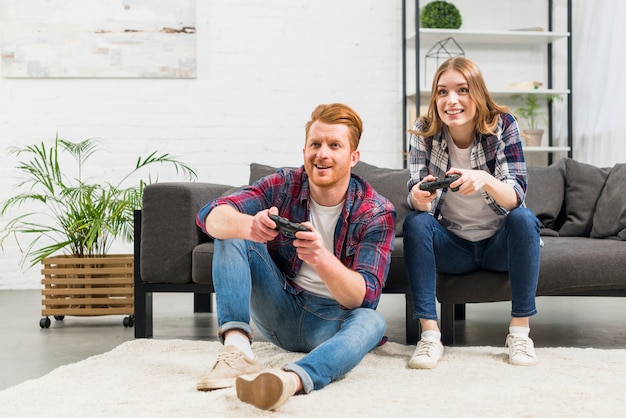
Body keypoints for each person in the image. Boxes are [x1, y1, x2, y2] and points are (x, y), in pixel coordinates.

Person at [195, 103, 396, 411]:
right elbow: (209, 215)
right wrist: (249, 226)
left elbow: (363, 298)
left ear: (353, 157)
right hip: (280, 308)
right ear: (304, 150)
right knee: (232, 231)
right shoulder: (284, 184)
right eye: (315, 144)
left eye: (334, 145)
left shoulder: (376, 211)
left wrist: (321, 258)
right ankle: (237, 351)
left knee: (372, 321)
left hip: (330, 324)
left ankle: (291, 380)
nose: (322, 154)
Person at [403, 56, 541, 369]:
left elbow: (516, 196)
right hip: (452, 246)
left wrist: (485, 180)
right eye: (442, 92)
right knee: (416, 222)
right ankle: (429, 337)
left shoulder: (503, 124)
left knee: (523, 219)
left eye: (462, 90)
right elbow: (415, 199)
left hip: (497, 246)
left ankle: (519, 333)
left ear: (476, 93)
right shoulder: (424, 131)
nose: (451, 100)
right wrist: (420, 195)